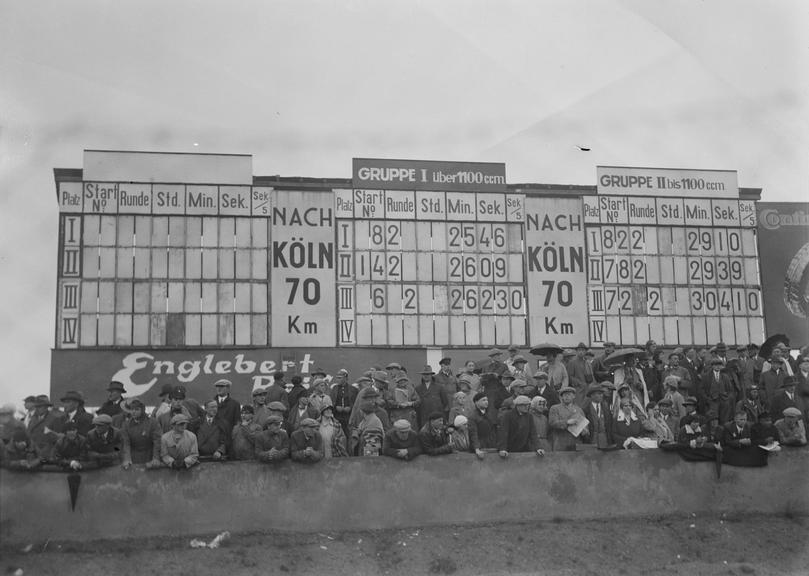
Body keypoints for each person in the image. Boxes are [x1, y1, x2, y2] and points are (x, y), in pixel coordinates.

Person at [120, 399, 162, 469]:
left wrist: (156, 458)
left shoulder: (153, 423)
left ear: (142, 410)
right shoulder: (126, 425)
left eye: (137, 409)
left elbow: (157, 442)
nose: (133, 412)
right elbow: (126, 443)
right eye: (132, 409)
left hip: (149, 456)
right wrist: (127, 459)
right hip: (134, 457)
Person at [548, 386, 587, 451]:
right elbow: (552, 423)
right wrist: (567, 422)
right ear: (561, 397)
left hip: (576, 443)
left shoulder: (579, 410)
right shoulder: (555, 408)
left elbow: (585, 426)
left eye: (569, 395)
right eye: (564, 395)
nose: (566, 397)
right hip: (561, 443)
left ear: (574, 396)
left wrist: (585, 431)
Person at [26, 394, 64, 461]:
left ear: (46, 407)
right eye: (36, 407)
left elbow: (57, 439)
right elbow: (29, 434)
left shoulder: (54, 419)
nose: (37, 409)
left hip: (47, 455)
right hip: (33, 453)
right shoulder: (32, 419)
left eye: (40, 407)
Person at [582, 384, 613, 449]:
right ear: (591, 395)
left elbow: (609, 426)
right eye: (596, 394)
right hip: (591, 441)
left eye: (600, 394)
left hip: (605, 441)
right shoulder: (585, 409)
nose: (599, 396)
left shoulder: (606, 409)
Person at [468, 392, 498, 456]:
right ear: (476, 402)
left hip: (491, 446)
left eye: (487, 400)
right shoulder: (473, 416)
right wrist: (477, 449)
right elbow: (473, 434)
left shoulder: (489, 415)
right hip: (481, 447)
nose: (486, 402)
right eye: (483, 400)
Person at [330, 370, 358, 438]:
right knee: (337, 436)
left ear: (345, 378)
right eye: (337, 378)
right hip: (337, 417)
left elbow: (356, 403)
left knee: (349, 436)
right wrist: (336, 407)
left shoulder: (353, 389)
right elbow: (330, 402)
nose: (337, 380)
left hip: (349, 417)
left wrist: (350, 408)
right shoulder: (334, 389)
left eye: (340, 378)